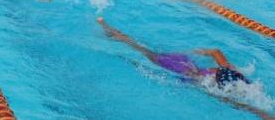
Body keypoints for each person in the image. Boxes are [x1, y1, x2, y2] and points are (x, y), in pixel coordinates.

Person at [97, 18, 272, 119]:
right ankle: (114, 33)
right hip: (179, 67)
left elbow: (216, 51)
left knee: (148, 50)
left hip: (185, 60)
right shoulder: (212, 86)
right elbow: (242, 106)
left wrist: (202, 52)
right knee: (143, 51)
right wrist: (262, 114)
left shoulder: (230, 70)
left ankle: (112, 31)